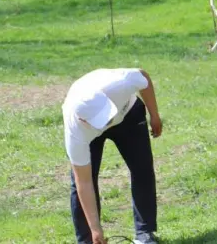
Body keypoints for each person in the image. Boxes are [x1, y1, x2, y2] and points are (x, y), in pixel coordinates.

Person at [62, 68, 163, 244]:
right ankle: (89, 240)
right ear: (83, 120)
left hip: (128, 114)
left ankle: (144, 234)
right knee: (85, 179)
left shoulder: (120, 84)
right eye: (103, 122)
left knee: (142, 168)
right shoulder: (75, 130)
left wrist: (154, 115)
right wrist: (95, 228)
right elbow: (83, 182)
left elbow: (144, 76)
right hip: (89, 134)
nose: (109, 123)